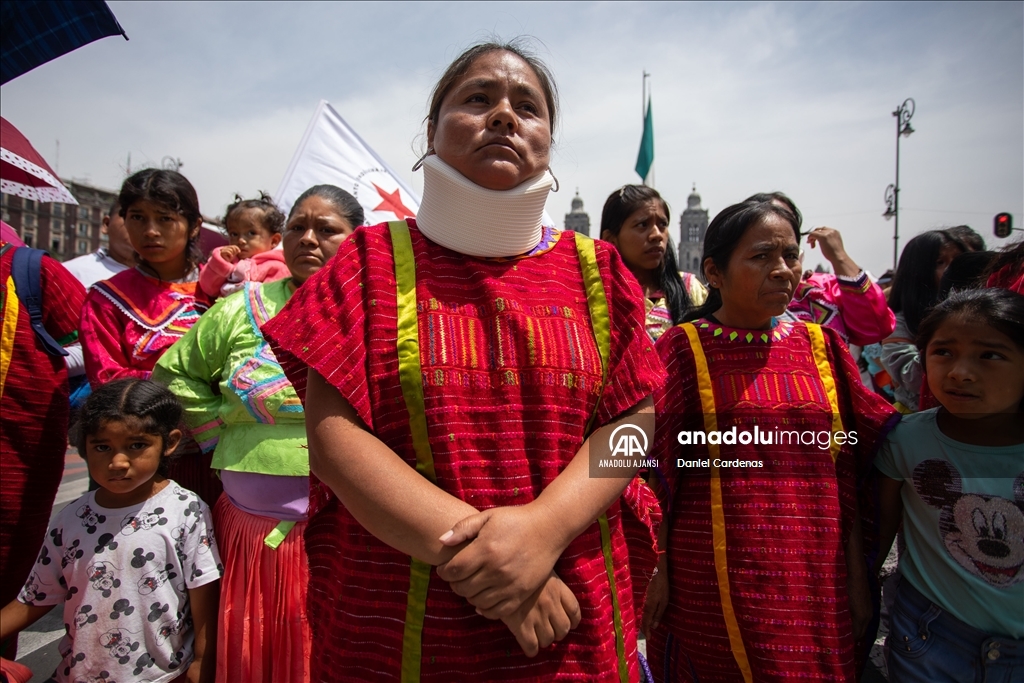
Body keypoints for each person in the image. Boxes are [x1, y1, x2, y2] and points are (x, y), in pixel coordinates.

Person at [261, 40, 666, 682]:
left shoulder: (602, 272)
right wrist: (501, 564)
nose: (504, 115)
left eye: (527, 107)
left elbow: (631, 424)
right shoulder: (363, 263)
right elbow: (334, 441)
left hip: (571, 606)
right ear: (431, 131)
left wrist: (541, 531)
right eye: (478, 98)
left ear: (549, 142)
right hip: (391, 605)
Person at [645, 199, 899, 682]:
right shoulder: (682, 349)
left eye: (790, 255)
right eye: (762, 257)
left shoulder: (822, 347)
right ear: (714, 273)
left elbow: (851, 469)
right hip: (714, 580)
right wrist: (656, 567)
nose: (782, 271)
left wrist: (858, 576)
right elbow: (644, 469)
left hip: (815, 580)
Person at [153, 185, 363, 683]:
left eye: (327, 229)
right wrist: (220, 427)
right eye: (296, 227)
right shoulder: (239, 307)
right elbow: (173, 372)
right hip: (251, 533)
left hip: (351, 529)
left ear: (358, 240)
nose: (308, 238)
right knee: (255, 651)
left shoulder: (377, 312)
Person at [0, 379, 223, 683]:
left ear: (169, 443)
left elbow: (204, 594)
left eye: (136, 446)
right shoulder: (71, 518)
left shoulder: (185, 510)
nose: (117, 462)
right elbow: (36, 597)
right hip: (79, 674)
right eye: (102, 447)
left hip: (162, 676)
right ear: (84, 446)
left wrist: (201, 662)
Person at [873, 288, 1024, 681]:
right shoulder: (904, 440)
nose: (960, 372)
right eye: (943, 352)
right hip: (929, 639)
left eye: (989, 355)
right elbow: (876, 534)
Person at [79, 168, 219, 504]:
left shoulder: (222, 292)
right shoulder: (106, 298)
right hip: (137, 460)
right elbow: (108, 380)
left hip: (218, 455)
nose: (151, 231)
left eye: (165, 218)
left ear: (194, 225)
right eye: (138, 217)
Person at [0, 242, 86, 659]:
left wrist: (44, 356)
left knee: (8, 569)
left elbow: (90, 335)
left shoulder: (30, 270)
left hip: (17, 459)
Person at [746, 192, 896, 346]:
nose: (778, 226)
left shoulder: (823, 289)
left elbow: (875, 329)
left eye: (787, 220)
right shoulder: (735, 292)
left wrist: (839, 256)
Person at [600, 185, 705, 341]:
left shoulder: (690, 290)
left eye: (662, 224)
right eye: (642, 225)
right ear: (611, 240)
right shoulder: (597, 297)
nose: (657, 235)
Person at [882, 230, 968, 412]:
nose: (951, 270)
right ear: (918, 272)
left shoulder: (984, 316)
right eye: (940, 263)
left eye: (958, 261)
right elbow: (911, 378)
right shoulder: (898, 322)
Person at [198, 193, 289, 299]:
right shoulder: (227, 261)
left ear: (274, 240)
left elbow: (272, 302)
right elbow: (207, 288)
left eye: (251, 233)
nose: (240, 240)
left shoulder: (276, 268)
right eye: (234, 234)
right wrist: (220, 263)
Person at [62, 199, 135, 289]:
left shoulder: (154, 279)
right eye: (136, 217)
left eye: (158, 220)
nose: (149, 230)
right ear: (107, 224)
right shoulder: (67, 273)